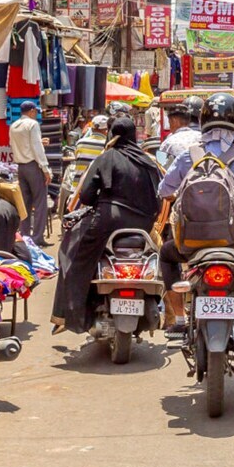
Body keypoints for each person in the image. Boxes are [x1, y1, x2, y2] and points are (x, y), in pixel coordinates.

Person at [154, 93, 234, 329]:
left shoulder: (186, 154)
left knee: (166, 256)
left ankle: (179, 318)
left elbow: (163, 189)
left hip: (190, 243)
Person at [53, 114, 162, 333]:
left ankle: (68, 315)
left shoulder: (106, 157)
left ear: (112, 135)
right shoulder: (148, 161)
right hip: (144, 225)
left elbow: (86, 195)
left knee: (71, 252)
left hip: (108, 220)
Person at [9, 100, 50, 243]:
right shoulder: (32, 124)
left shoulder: (14, 126)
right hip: (33, 166)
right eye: (36, 111)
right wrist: (45, 169)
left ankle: (25, 236)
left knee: (25, 203)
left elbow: (19, 144)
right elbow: (36, 148)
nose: (37, 114)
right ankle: (38, 237)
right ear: (32, 111)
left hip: (21, 167)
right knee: (40, 203)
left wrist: (39, 142)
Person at [157, 96, 205, 172]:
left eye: (169, 122)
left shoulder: (168, 142)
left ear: (174, 121)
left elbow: (160, 168)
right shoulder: (204, 137)